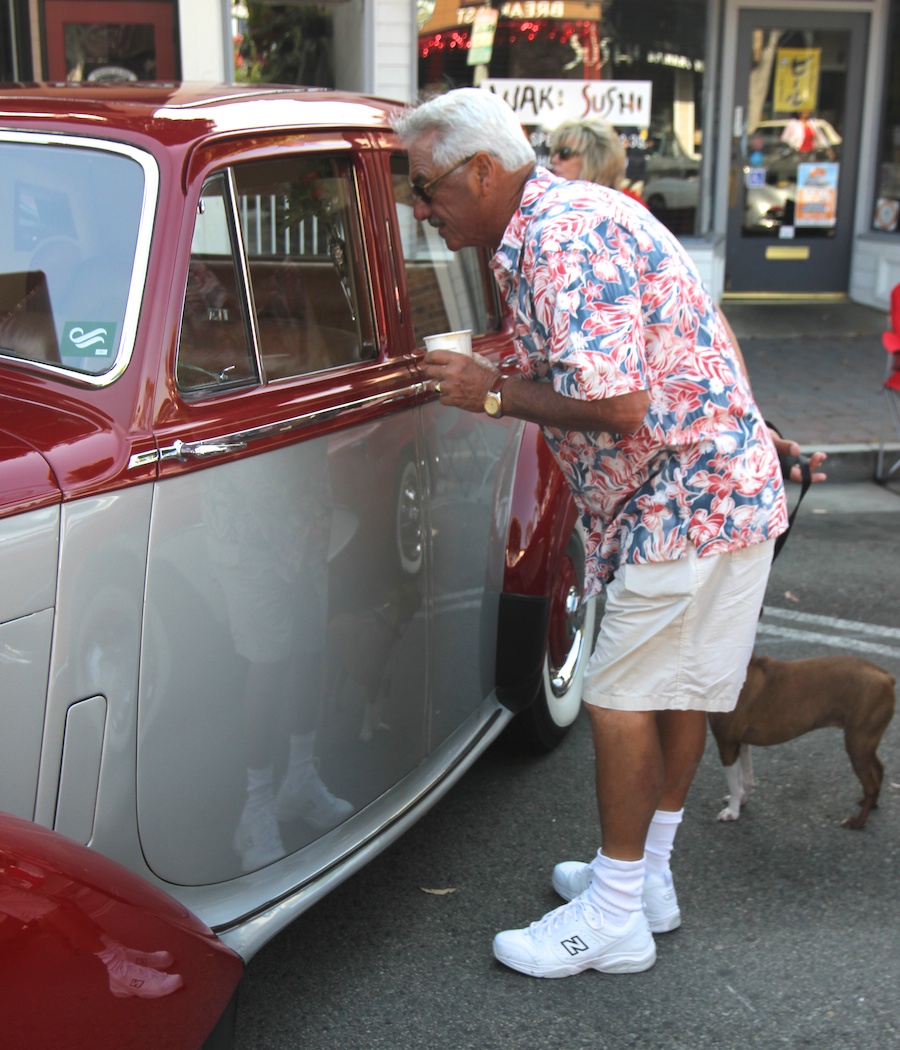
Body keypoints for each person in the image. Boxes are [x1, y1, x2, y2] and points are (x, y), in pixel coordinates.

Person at [392, 87, 826, 980]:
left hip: (680, 503)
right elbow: (687, 330)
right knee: (682, 690)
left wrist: (485, 389)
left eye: (426, 188)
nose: (421, 209)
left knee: (619, 695)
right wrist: (486, 354)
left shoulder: (559, 239)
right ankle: (647, 881)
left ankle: (616, 914)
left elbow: (620, 403)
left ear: (483, 169)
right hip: (722, 486)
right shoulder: (561, 220)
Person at [548, 117, 646, 205]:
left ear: (594, 160)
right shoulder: (547, 204)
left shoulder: (627, 211)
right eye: (554, 152)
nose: (554, 160)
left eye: (564, 153)